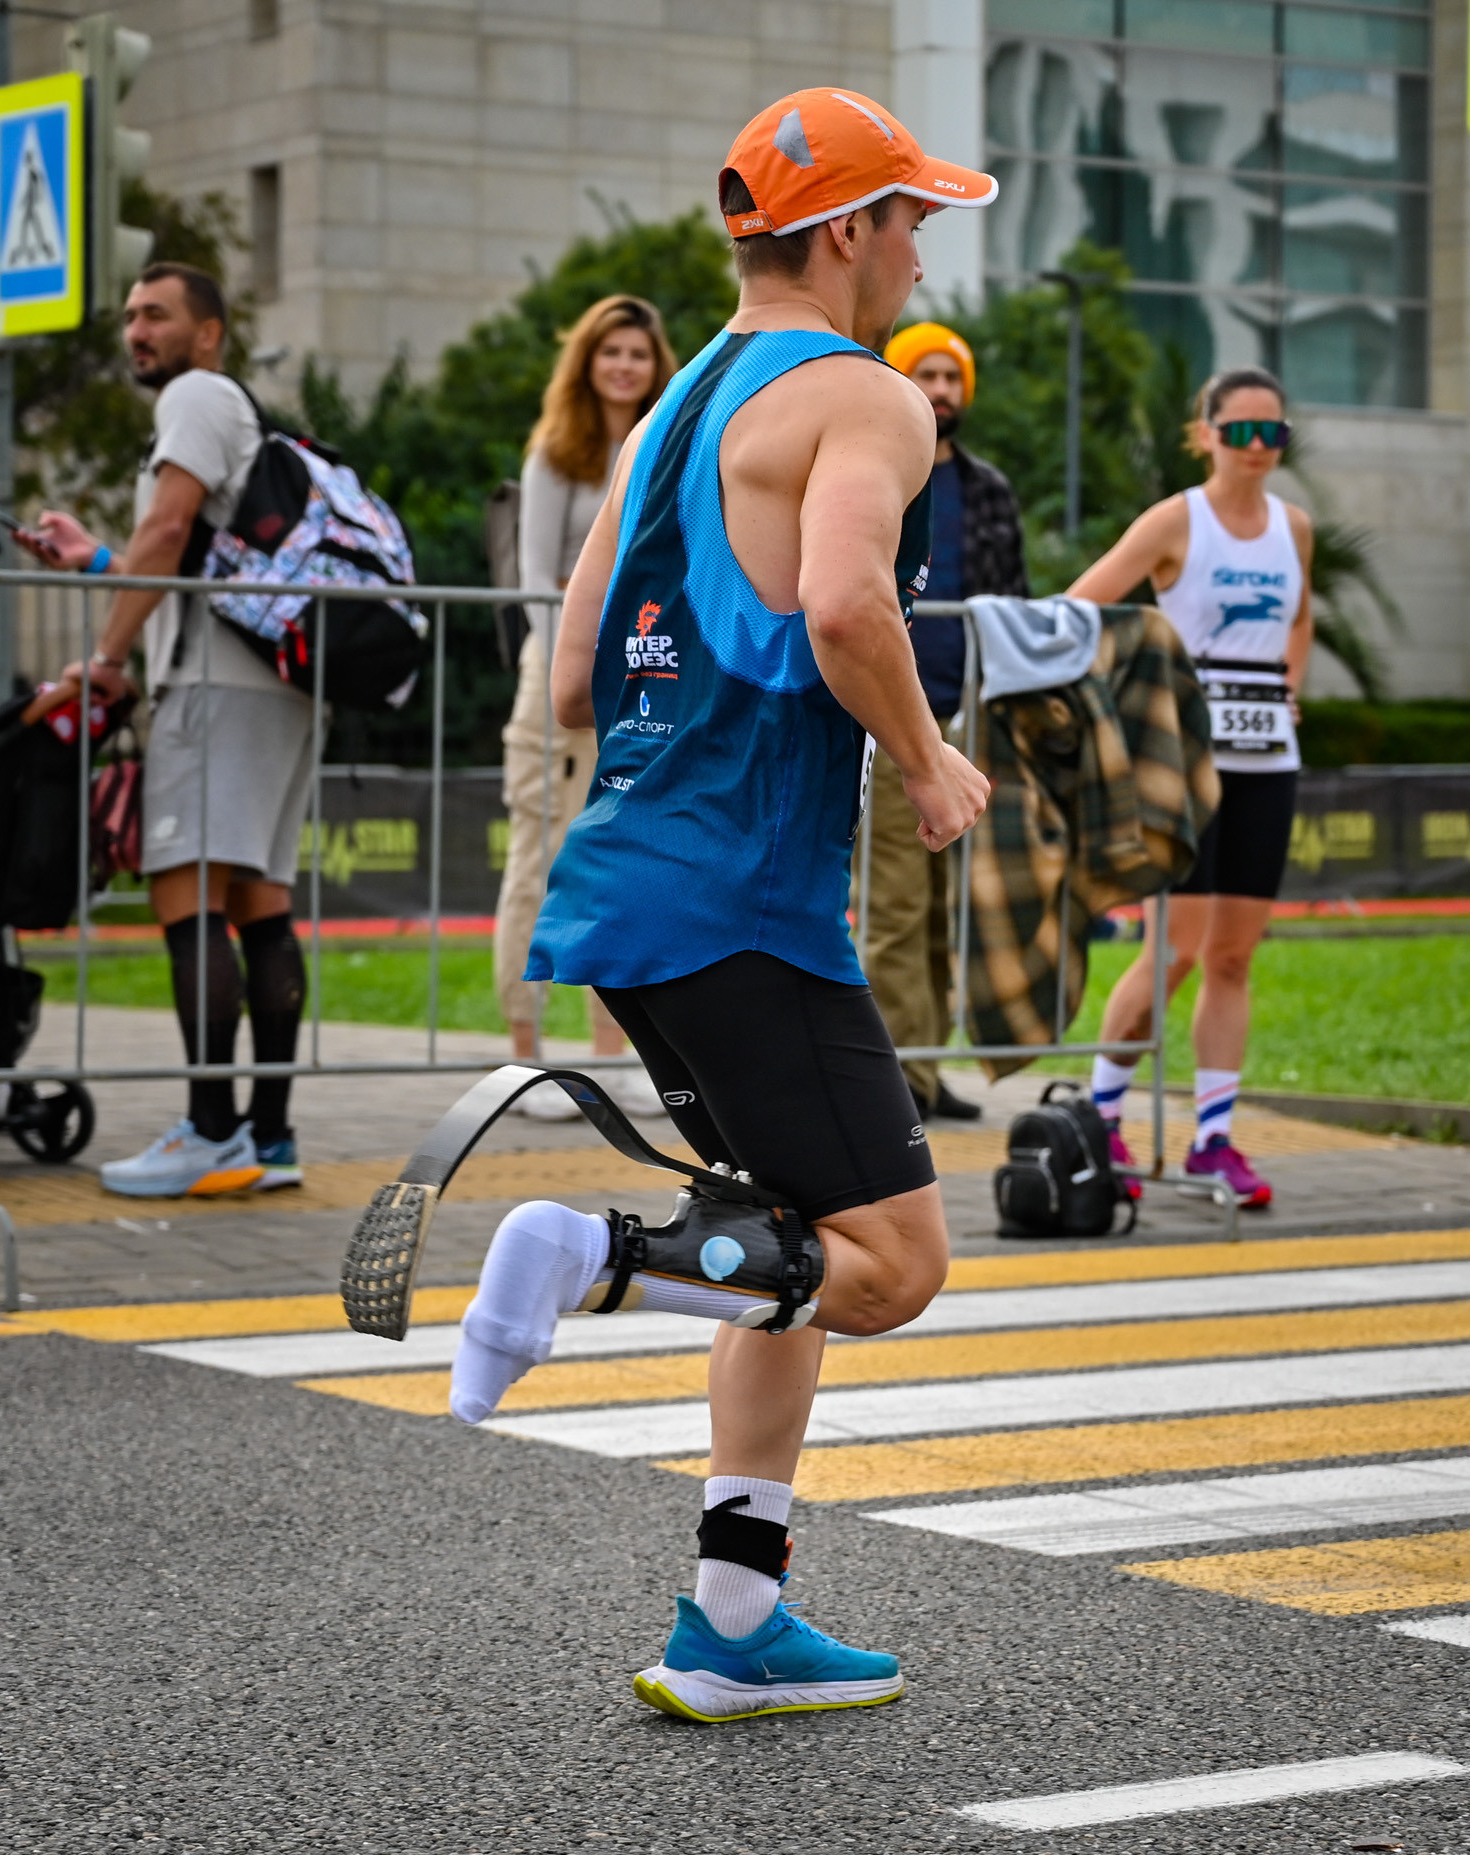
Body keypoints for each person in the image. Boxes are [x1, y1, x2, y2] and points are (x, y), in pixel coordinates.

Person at [442, 87, 993, 1722]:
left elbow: (571, 661)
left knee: (787, 1251)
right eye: (909, 218)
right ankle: (588, 1257)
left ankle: (732, 1622)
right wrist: (928, 757)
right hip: (752, 908)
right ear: (842, 232)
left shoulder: (672, 403)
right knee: (892, 1263)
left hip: (636, 890)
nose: (917, 249)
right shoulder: (864, 402)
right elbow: (838, 602)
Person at [20, 264, 311, 1199]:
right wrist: (97, 554)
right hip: (279, 681)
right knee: (259, 901)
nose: (137, 331)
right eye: (131, 316)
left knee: (184, 892)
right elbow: (188, 548)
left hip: (215, 686)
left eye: (158, 315)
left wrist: (106, 656)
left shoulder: (194, 394)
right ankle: (268, 1138)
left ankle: (210, 1129)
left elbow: (167, 531)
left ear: (210, 332)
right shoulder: (243, 413)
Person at [1064, 367, 1312, 1209]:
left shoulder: (1294, 529)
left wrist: (1291, 688)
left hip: (1266, 764)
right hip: (1184, 769)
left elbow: (1300, 615)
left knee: (1233, 956)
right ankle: (1100, 1115)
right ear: (1203, 434)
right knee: (1169, 953)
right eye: (1238, 431)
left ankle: (1212, 1140)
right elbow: (1080, 604)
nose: (1256, 448)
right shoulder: (1179, 519)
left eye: (1271, 433)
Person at [496, 296, 675, 1120]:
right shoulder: (554, 455)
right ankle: (524, 1056)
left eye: (639, 354)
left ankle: (611, 1054)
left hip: (642, 671)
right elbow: (536, 579)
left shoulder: (668, 444)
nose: (625, 368)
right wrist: (572, 677)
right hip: (559, 673)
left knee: (620, 858)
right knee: (535, 857)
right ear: (587, 361)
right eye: (611, 353)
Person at [863, 321, 1028, 1123]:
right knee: (896, 909)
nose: (939, 389)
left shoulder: (989, 488)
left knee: (941, 915)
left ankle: (923, 1071)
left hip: (971, 720)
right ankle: (898, 1083)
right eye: (923, 374)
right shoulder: (877, 470)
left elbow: (1019, 605)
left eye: (950, 376)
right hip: (894, 724)